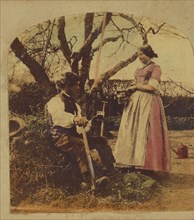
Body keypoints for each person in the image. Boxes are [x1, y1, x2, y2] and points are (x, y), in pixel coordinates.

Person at [46, 71, 116, 188]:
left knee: (101, 140)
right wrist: (74, 119)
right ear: (67, 86)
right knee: (80, 144)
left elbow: (79, 128)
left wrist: (89, 123)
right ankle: (90, 180)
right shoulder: (55, 101)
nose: (79, 88)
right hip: (59, 137)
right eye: (76, 85)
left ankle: (109, 169)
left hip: (73, 136)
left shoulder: (75, 104)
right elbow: (58, 116)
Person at [114, 44, 171, 174]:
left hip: (148, 101)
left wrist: (135, 86)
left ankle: (147, 165)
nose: (139, 57)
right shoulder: (140, 68)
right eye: (138, 55)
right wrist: (131, 88)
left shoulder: (155, 68)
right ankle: (129, 162)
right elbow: (138, 84)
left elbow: (152, 87)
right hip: (135, 102)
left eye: (142, 54)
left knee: (146, 130)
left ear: (149, 54)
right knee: (132, 129)